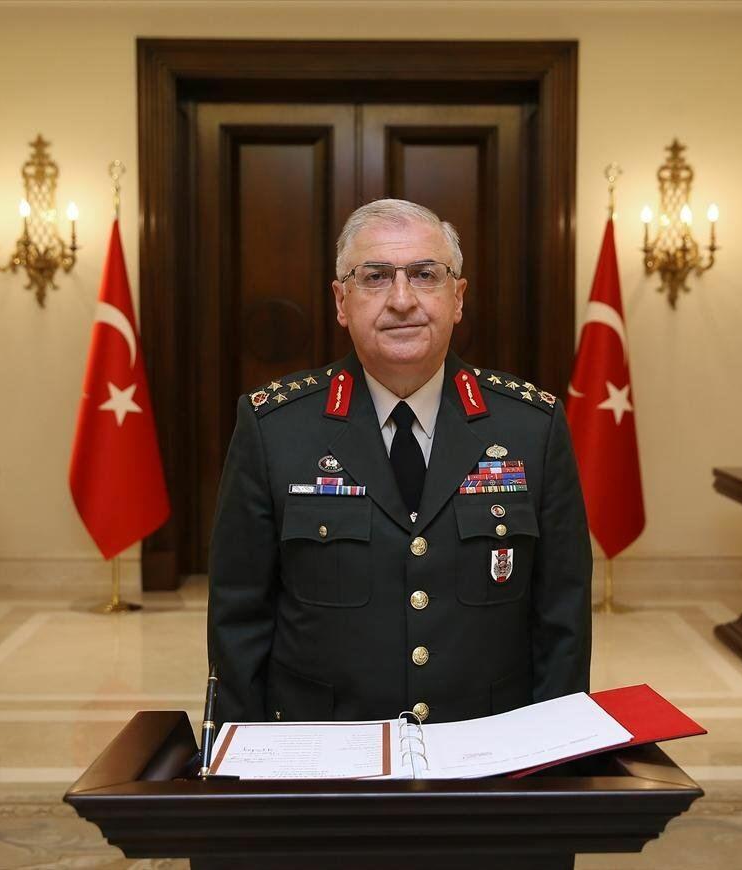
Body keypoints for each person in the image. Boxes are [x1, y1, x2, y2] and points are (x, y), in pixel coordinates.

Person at [207, 199, 591, 725]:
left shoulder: (531, 427)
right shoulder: (274, 428)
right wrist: (247, 756)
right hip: (326, 748)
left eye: (425, 275)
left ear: (458, 298)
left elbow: (563, 618)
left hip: (488, 746)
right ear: (341, 301)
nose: (402, 300)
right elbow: (238, 619)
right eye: (376, 277)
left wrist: (556, 752)